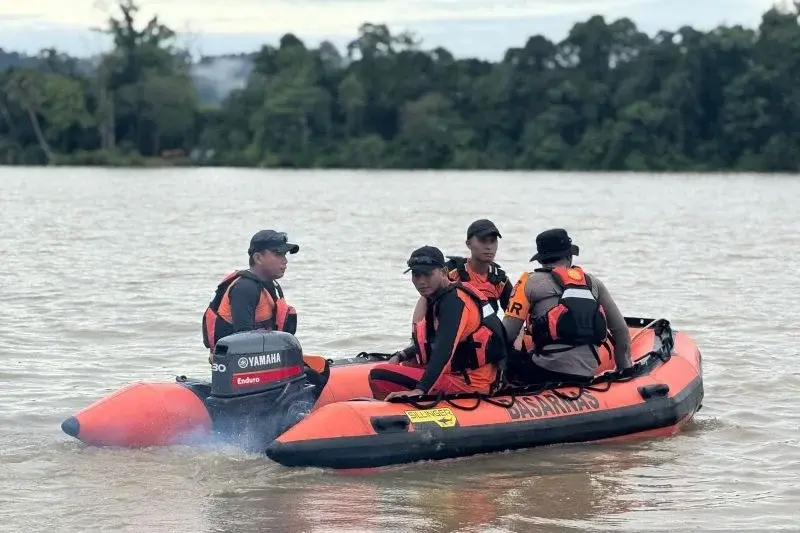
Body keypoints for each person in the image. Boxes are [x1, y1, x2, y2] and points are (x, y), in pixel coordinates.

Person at [368, 246, 508, 401]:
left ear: (443, 272)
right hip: (463, 374)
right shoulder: (441, 296)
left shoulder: (453, 302)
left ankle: (383, 413)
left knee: (379, 375)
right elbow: (432, 340)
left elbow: (444, 349)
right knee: (408, 363)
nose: (421, 281)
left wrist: (419, 390)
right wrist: (402, 355)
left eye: (427, 274)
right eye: (416, 274)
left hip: (470, 382)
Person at [502, 228, 632, 385]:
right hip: (586, 372)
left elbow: (506, 335)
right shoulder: (593, 283)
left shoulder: (529, 283)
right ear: (569, 256)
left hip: (543, 370)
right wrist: (623, 370)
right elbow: (621, 330)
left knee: (510, 354)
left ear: (541, 259)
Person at [202, 229, 300, 354]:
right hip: (240, 365)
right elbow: (243, 341)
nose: (285, 260)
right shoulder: (245, 288)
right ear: (258, 258)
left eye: (285, 255)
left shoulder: (267, 284)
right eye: (278, 254)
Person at [443, 218, 513, 314]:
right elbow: (426, 300)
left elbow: (514, 318)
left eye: (493, 241)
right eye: (483, 240)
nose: (489, 246)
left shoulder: (500, 280)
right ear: (468, 244)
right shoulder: (450, 272)